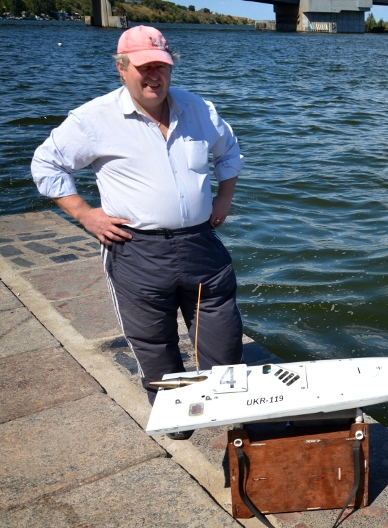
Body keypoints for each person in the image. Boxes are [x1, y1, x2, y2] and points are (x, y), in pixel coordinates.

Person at [31, 26, 244, 439]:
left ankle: (226, 413)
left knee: (225, 346)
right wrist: (84, 214)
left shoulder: (199, 109)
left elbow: (229, 151)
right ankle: (178, 419)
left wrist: (223, 199)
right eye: (143, 67)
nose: (154, 77)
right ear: (121, 68)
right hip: (136, 250)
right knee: (154, 345)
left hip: (201, 245)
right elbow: (46, 165)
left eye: (161, 67)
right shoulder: (93, 119)